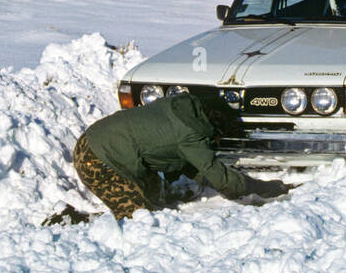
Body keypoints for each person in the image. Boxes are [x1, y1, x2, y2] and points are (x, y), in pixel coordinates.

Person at [72, 91, 291, 217]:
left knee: (158, 199)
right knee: (139, 220)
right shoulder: (190, 134)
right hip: (96, 159)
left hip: (100, 140)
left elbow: (188, 160)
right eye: (217, 139)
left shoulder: (183, 111)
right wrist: (257, 188)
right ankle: (76, 222)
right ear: (215, 127)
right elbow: (218, 175)